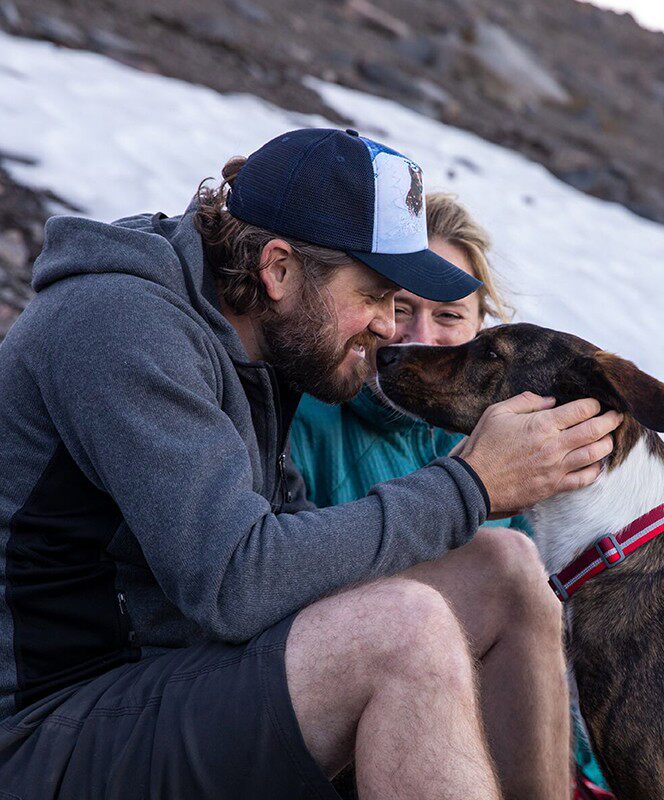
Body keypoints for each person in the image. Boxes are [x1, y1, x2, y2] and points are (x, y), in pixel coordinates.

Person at [0, 128, 621, 800]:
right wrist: (469, 485)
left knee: (505, 567)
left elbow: (285, 545)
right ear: (278, 269)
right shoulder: (122, 325)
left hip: (168, 685)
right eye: (377, 295)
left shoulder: (254, 345)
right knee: (401, 630)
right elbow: (234, 581)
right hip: (47, 727)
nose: (390, 327)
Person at [291, 192, 610, 792]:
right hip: (351, 697)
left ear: (482, 329)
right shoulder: (307, 417)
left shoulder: (506, 443)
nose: (421, 338)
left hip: (477, 734)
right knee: (507, 561)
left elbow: (544, 645)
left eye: (448, 317)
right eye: (402, 308)